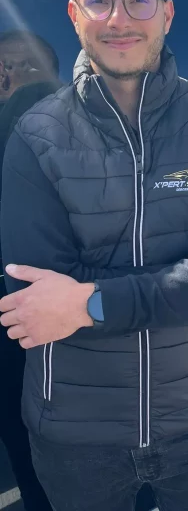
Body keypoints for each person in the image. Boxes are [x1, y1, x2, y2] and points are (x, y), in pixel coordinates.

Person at [0, 0, 188, 511]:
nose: (120, 17)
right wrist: (184, 282)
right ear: (75, 14)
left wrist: (90, 303)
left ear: (166, 14)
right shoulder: (36, 137)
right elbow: (39, 302)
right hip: (75, 434)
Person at [0, 30, 60, 511]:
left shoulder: (64, 126)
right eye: (3, 70)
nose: (14, 79)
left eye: (28, 67)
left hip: (58, 322)